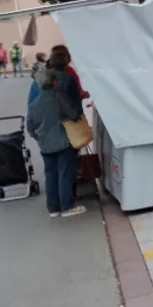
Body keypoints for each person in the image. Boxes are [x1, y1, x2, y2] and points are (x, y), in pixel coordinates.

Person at [26, 68, 86, 218]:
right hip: (63, 142)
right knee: (65, 174)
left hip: (45, 145)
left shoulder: (34, 104)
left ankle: (53, 208)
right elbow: (73, 114)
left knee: (50, 175)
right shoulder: (60, 97)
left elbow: (30, 127)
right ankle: (66, 207)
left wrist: (39, 138)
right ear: (54, 82)